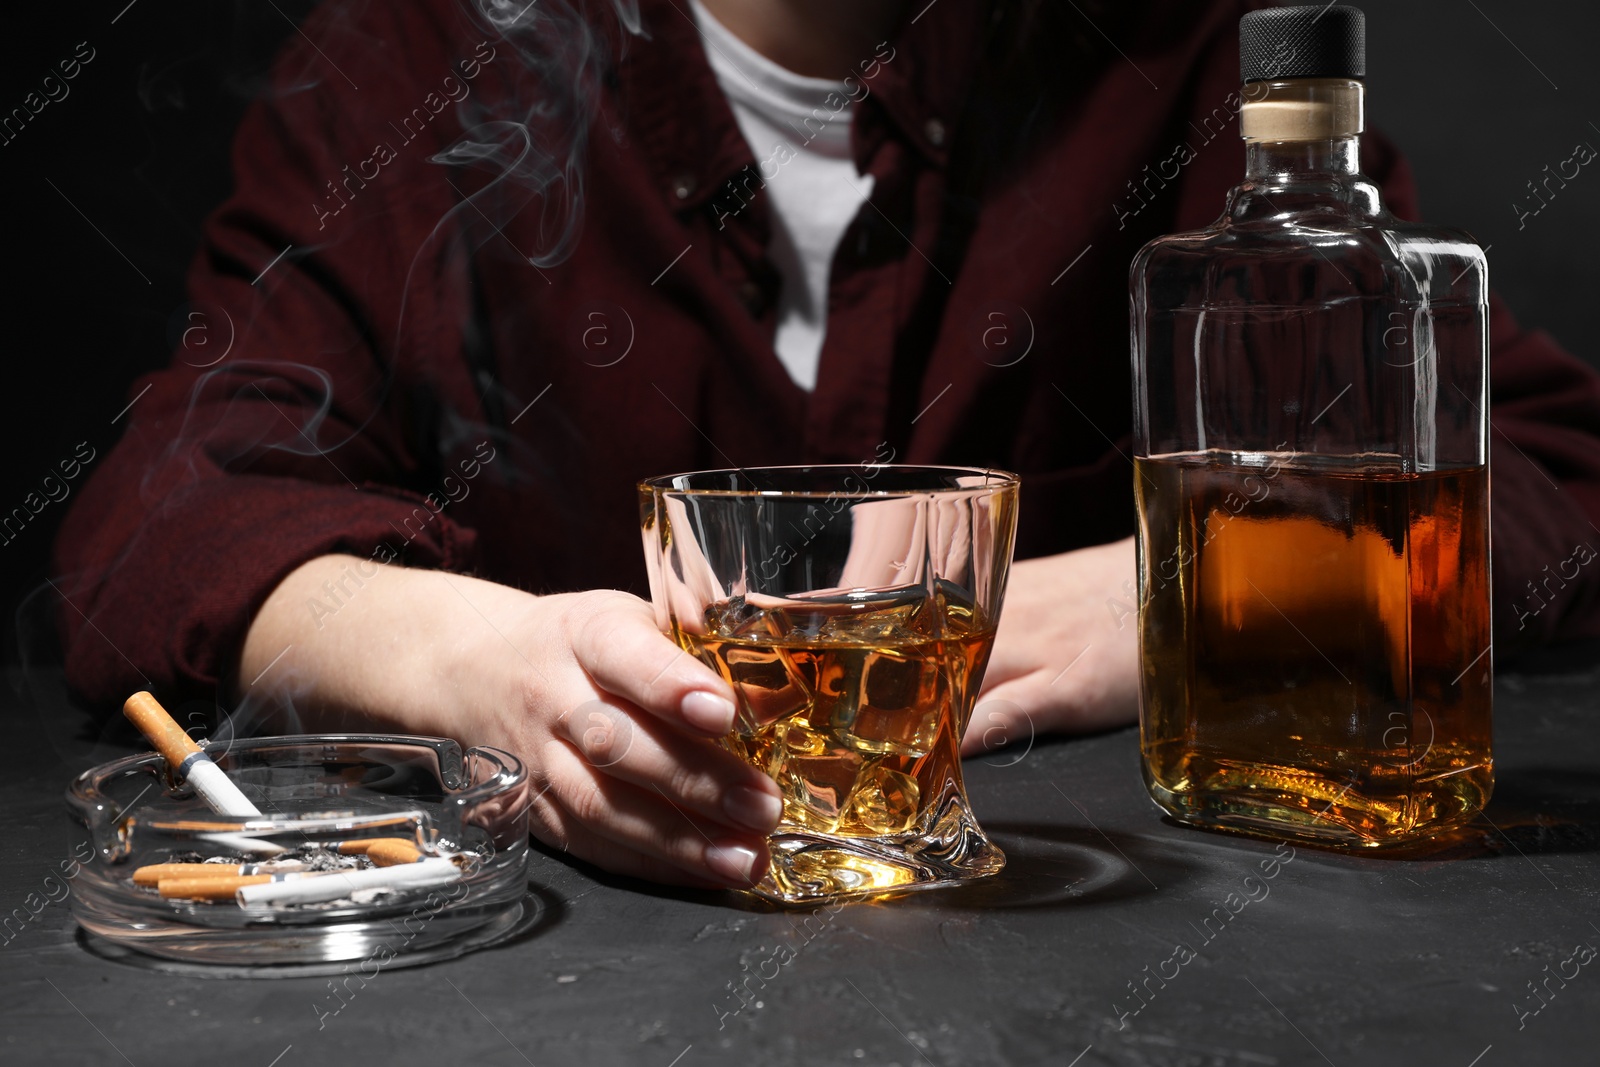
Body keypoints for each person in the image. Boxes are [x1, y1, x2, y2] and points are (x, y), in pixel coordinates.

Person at [54, 0, 1600, 889]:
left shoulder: (1168, 57)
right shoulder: (418, 57)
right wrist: (469, 669)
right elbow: (160, 506)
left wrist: (1178, 594)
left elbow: (1551, 474)